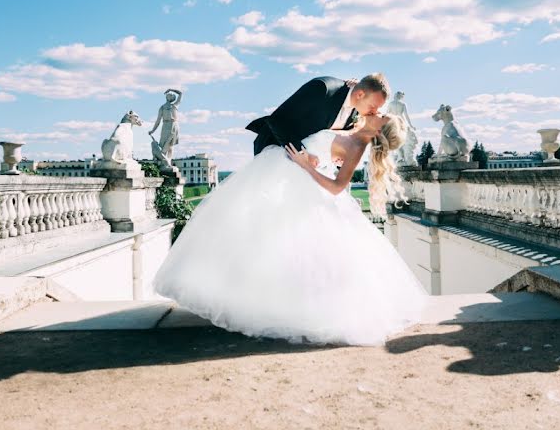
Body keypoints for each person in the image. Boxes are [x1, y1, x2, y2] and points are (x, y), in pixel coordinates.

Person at [154, 92, 426, 346]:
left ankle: (275, 308)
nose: (378, 111)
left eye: (382, 115)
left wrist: (307, 165)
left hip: (301, 185)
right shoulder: (353, 127)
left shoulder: (358, 144)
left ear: (378, 130)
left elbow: (336, 187)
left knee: (286, 248)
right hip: (285, 176)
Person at [245, 74, 389, 156]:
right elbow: (277, 120)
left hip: (309, 169)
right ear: (360, 94)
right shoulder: (322, 89)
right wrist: (302, 155)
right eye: (373, 106)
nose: (375, 111)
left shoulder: (358, 108)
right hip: (274, 152)